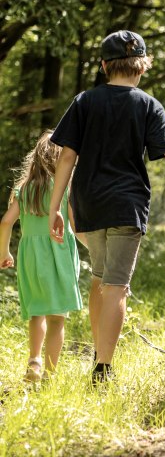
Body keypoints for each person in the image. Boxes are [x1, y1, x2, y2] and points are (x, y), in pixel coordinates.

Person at [48, 30, 165, 385]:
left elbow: (67, 156)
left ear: (103, 65)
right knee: (115, 286)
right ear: (142, 67)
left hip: (88, 203)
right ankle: (103, 370)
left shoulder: (84, 101)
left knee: (100, 278)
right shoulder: (147, 105)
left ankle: (100, 357)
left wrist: (55, 208)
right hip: (127, 204)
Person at [0, 131, 83, 383]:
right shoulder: (65, 190)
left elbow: (6, 222)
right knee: (58, 318)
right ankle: (49, 375)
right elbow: (75, 226)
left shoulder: (24, 189)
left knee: (37, 313)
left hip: (31, 257)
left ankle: (34, 361)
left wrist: (4, 251)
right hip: (60, 255)